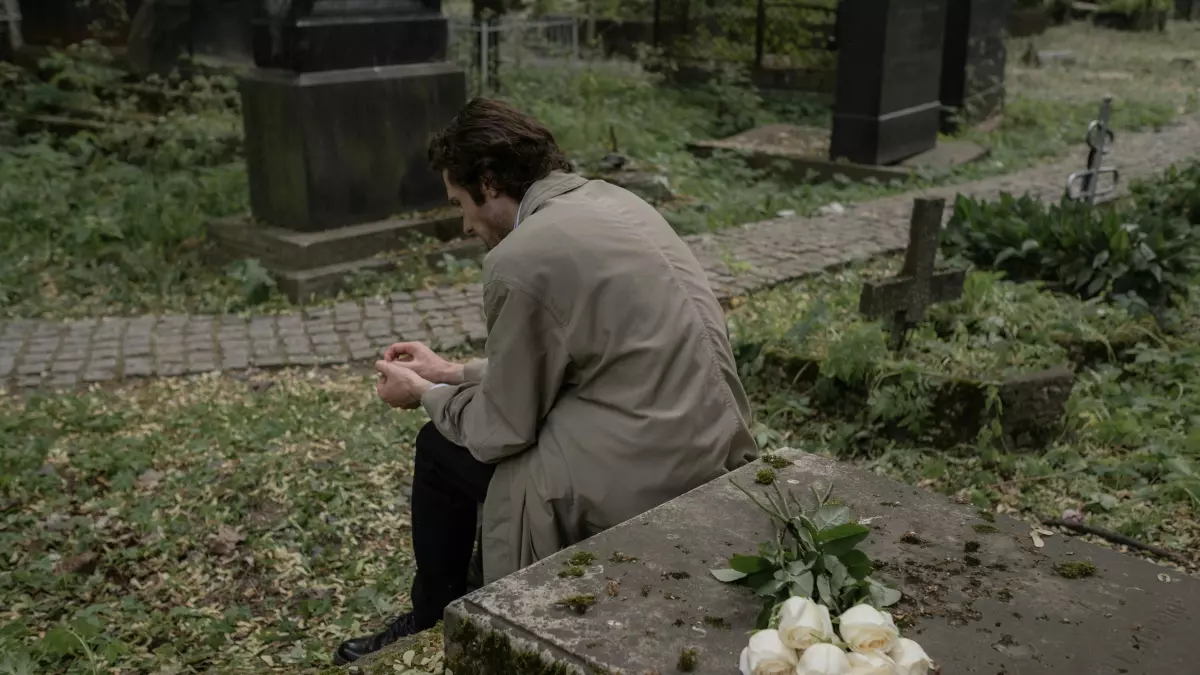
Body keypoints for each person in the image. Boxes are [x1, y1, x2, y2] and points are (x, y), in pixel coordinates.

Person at [333, 98, 758, 665]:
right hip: (707, 444)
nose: (464, 224)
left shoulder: (520, 256)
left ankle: (435, 616)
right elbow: (587, 359)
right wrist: (452, 372)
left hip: (647, 473)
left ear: (487, 183)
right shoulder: (611, 200)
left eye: (459, 202)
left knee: (439, 446)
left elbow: (501, 429)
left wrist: (424, 395)